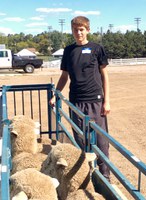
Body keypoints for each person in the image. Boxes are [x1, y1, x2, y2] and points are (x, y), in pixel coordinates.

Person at [50, 16, 110, 181]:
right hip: (76, 101)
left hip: (95, 100)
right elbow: (64, 76)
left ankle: (105, 176)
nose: (78, 33)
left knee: (101, 141)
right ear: (72, 31)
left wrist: (107, 100)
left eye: (81, 29)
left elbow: (105, 75)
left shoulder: (97, 49)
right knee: (80, 140)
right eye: (75, 30)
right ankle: (85, 175)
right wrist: (56, 94)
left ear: (88, 30)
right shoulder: (69, 51)